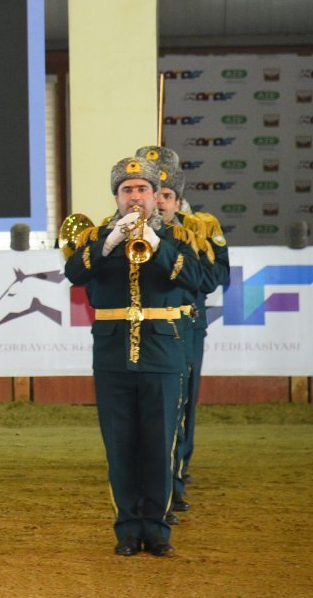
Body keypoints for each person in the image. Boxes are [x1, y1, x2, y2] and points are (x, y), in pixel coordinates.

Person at [64, 156, 211, 557]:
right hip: (113, 356)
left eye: (142, 190)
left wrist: (157, 242)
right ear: (116, 196)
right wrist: (109, 242)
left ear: (153, 196)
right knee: (120, 447)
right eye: (127, 190)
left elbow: (201, 280)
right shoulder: (98, 235)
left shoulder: (180, 236)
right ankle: (127, 528)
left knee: (159, 444)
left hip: (163, 353)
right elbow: (75, 273)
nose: (135, 197)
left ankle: (157, 529)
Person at [138, 145, 230, 520]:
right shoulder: (130, 225)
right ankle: (149, 479)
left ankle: (174, 481)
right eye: (151, 192)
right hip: (143, 327)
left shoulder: (199, 228)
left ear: (178, 196)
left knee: (181, 405)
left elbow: (214, 278)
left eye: (166, 194)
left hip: (186, 326)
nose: (158, 201)